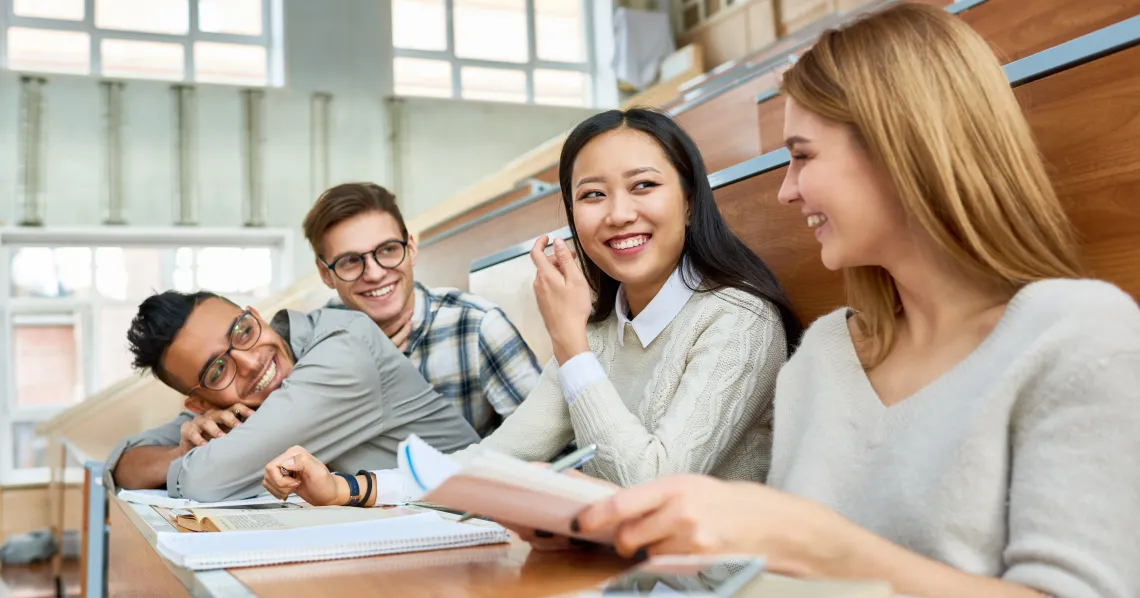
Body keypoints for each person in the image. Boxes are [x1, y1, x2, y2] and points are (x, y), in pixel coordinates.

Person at [569, 5, 1140, 598]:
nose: (787, 190)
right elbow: (778, 580)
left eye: (803, 155)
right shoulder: (822, 354)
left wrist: (820, 546)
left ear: (900, 147)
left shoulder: (1080, 336)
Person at [260, 108, 804, 506]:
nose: (617, 214)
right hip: (612, 574)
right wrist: (344, 488)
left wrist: (569, 346)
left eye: (643, 186)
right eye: (592, 195)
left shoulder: (738, 320)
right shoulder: (596, 332)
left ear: (688, 200)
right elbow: (493, 460)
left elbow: (651, 487)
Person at [106, 290, 480, 502]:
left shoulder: (344, 350)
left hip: (483, 524)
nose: (251, 361)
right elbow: (124, 460)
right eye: (217, 370)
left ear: (256, 315)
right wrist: (179, 452)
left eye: (243, 330)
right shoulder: (235, 405)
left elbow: (207, 479)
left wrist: (194, 459)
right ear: (201, 404)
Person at [304, 182, 542, 437]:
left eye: (387, 250)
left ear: (411, 248)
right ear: (325, 274)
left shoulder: (476, 327)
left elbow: (554, 448)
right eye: (350, 261)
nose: (374, 274)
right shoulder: (315, 344)